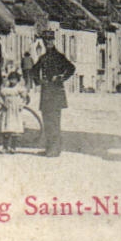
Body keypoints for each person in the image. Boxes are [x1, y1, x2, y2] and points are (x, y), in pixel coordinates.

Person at [33, 26, 76, 157]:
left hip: (56, 93)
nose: (47, 43)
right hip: (46, 93)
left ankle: (55, 149)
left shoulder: (59, 56)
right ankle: (49, 148)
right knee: (47, 121)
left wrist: (60, 78)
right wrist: (38, 81)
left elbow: (71, 68)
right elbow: (34, 70)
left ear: (53, 41)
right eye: (45, 41)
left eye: (49, 41)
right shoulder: (43, 57)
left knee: (54, 122)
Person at [0, 70, 29, 154]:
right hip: (6, 110)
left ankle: (13, 147)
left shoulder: (19, 89)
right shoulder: (5, 89)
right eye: (11, 79)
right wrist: (3, 103)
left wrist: (21, 105)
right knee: (6, 128)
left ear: (18, 80)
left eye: (14, 79)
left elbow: (24, 98)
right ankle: (5, 147)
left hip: (15, 110)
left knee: (15, 129)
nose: (12, 81)